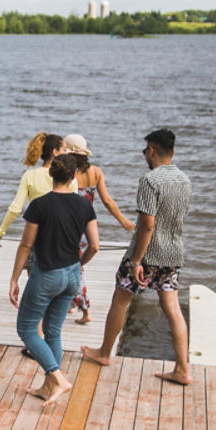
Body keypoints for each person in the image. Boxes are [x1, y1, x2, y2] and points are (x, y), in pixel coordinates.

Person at [80, 129, 193, 385]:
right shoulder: (185, 180)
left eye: (145, 151)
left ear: (151, 150)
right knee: (173, 309)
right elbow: (180, 219)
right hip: (173, 253)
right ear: (173, 151)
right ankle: (182, 369)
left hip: (146, 254)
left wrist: (137, 261)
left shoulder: (150, 181)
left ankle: (105, 353)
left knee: (121, 300)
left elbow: (147, 225)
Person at [9, 153, 99, 405]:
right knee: (53, 331)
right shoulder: (84, 205)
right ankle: (48, 387)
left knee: (26, 329)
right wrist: (79, 265)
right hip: (71, 275)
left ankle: (57, 378)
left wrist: (14, 278)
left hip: (47, 274)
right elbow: (94, 245)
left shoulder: (40, 204)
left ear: (51, 174)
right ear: (73, 176)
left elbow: (26, 245)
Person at [62, 134, 135, 325]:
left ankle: (86, 310)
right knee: (76, 265)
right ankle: (71, 303)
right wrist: (123, 221)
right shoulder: (96, 172)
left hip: (69, 226)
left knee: (75, 268)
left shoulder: (67, 172)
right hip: (87, 225)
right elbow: (108, 201)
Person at [0, 132, 74, 248]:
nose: (68, 153)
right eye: (65, 150)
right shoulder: (69, 177)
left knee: (35, 265)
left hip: (36, 234)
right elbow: (74, 208)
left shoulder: (30, 175)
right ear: (55, 152)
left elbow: (15, 208)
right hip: (62, 235)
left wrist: (1, 231)